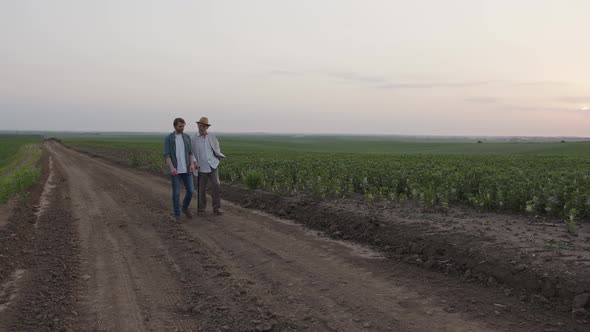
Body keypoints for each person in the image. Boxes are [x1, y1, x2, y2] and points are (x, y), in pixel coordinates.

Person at [191, 116, 225, 215]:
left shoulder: (211, 136)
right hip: (201, 167)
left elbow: (216, 147)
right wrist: (194, 161)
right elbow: (191, 152)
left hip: (213, 165)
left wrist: (218, 157)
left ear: (207, 127)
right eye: (200, 125)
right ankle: (201, 209)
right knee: (202, 188)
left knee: (217, 185)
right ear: (198, 125)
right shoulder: (193, 138)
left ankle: (216, 208)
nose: (202, 128)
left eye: (204, 126)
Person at [163, 118, 195, 222]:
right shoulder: (169, 139)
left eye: (183, 126)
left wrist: (191, 164)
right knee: (176, 193)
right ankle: (177, 215)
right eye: (180, 126)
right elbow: (166, 155)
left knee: (190, 190)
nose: (182, 128)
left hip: (186, 169)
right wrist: (172, 168)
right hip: (175, 170)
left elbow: (190, 153)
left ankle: (185, 208)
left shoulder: (186, 137)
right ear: (175, 126)